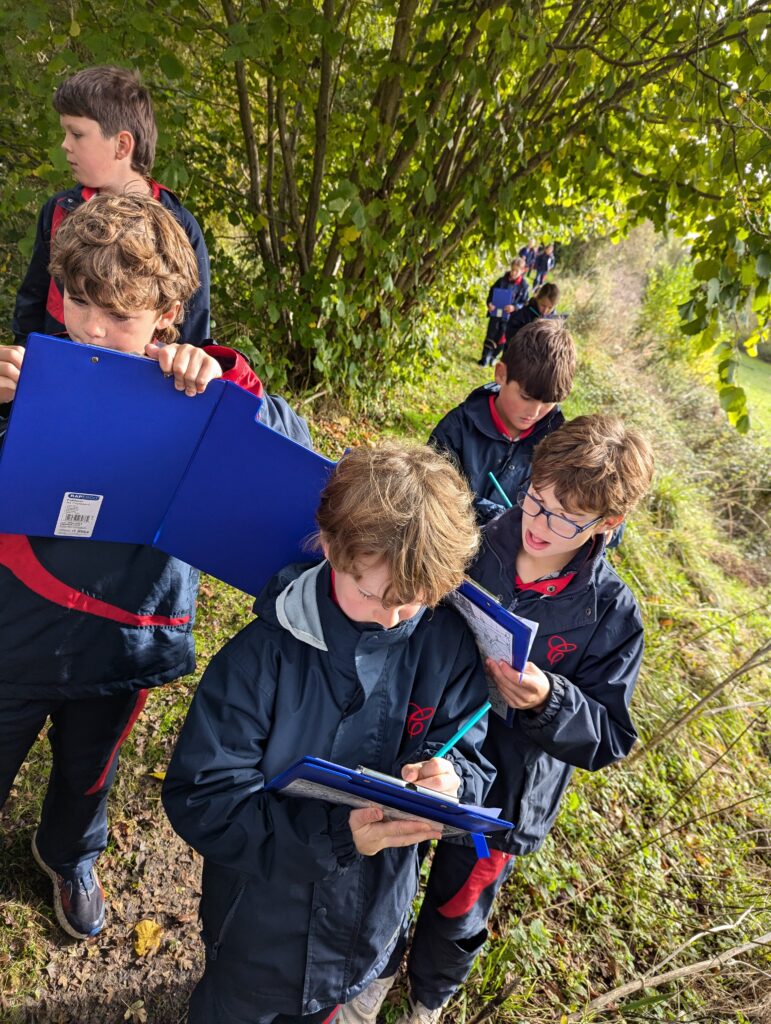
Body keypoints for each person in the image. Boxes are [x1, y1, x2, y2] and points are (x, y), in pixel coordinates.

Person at [0, 193, 311, 941]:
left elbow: (289, 464)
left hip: (124, 635)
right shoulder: (26, 377)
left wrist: (225, 386)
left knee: (89, 764)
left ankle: (69, 851)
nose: (94, 329)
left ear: (168, 313)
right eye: (78, 303)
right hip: (17, 625)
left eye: (120, 315)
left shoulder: (195, 388)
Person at [161, 441, 495, 1024]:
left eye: (410, 604)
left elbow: (471, 754)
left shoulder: (447, 651)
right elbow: (203, 797)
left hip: (367, 932)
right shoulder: (261, 659)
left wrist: (455, 780)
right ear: (331, 548)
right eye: (370, 593)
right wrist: (338, 838)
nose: (389, 617)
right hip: (258, 934)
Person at [343, 414, 655, 1024]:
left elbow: (611, 735)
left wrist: (548, 700)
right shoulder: (476, 538)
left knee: (460, 904)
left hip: (508, 794)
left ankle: (428, 997)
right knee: (388, 867)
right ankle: (373, 975)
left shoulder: (611, 614)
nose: (541, 526)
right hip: (428, 747)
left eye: (568, 520)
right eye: (538, 501)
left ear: (608, 525)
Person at [12, 65, 211, 346]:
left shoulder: (178, 223)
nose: (65, 145)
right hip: (62, 375)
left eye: (77, 134)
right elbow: (32, 302)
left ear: (121, 145)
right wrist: (28, 361)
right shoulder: (59, 211)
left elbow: (194, 329)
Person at [430, 318, 575, 524]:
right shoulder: (456, 429)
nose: (534, 412)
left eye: (548, 402)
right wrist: (498, 518)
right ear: (501, 374)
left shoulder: (558, 445)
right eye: (526, 397)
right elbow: (432, 495)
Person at [477, 257, 529, 367]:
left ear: (522, 271)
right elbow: (491, 294)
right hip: (496, 314)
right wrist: (489, 304)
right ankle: (484, 358)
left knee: (502, 338)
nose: (513, 273)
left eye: (517, 271)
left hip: (510, 318)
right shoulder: (501, 281)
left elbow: (524, 303)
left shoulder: (524, 286)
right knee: (491, 334)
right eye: (512, 269)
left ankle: (493, 357)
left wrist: (514, 307)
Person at [503, 282, 560, 352]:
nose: (545, 310)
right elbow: (509, 333)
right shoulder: (524, 312)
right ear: (537, 299)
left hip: (535, 359)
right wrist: (531, 329)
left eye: (550, 308)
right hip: (515, 354)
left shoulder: (554, 319)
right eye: (543, 305)